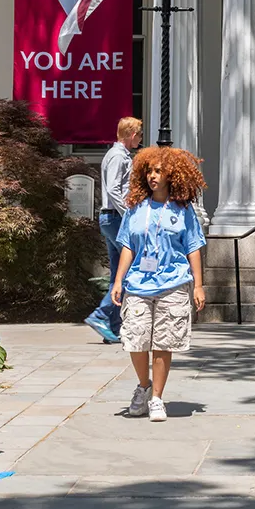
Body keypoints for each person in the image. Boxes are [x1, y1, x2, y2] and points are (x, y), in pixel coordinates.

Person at [111, 146, 207, 422]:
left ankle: (157, 399)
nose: (153, 176)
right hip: (139, 283)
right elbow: (128, 246)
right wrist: (118, 280)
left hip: (173, 283)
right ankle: (144, 386)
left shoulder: (183, 211)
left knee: (164, 341)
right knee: (136, 340)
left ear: (171, 175)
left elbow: (193, 247)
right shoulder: (136, 209)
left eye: (158, 171)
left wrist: (198, 285)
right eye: (149, 171)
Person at [85, 117, 142, 344]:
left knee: (118, 274)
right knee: (129, 270)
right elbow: (114, 189)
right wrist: (129, 213)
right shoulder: (118, 156)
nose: (140, 138)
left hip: (111, 218)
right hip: (116, 218)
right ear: (130, 134)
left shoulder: (117, 155)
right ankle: (100, 315)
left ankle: (112, 327)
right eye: (138, 134)